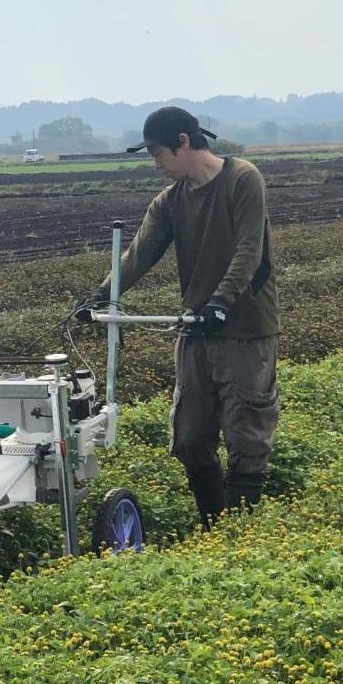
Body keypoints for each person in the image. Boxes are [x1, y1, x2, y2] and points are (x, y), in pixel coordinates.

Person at [78, 106, 279, 527]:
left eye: (158, 153)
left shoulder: (243, 179)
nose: (156, 165)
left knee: (245, 432)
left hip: (244, 329)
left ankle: (238, 531)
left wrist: (222, 302)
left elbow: (249, 250)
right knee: (189, 437)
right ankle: (214, 522)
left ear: (184, 143)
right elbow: (139, 255)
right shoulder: (170, 202)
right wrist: (100, 296)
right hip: (196, 330)